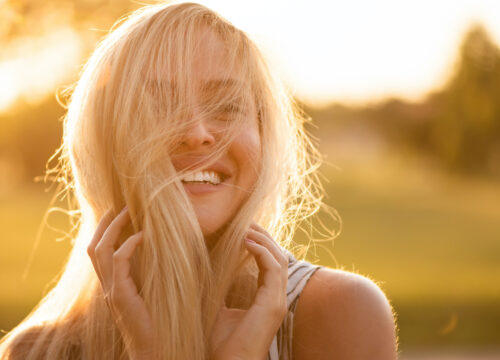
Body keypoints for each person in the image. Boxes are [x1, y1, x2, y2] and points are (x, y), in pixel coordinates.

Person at [0, 2, 398, 359]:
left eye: (225, 106)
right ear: (106, 142)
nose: (197, 132)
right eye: (158, 107)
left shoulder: (340, 314)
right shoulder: (40, 352)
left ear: (263, 134)